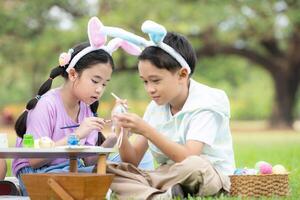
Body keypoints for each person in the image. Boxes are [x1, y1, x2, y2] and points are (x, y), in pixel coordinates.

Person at [12, 17, 154, 196]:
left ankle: (151, 190)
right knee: (106, 175)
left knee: (139, 160)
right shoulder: (46, 104)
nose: (99, 89)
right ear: (72, 74)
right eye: (95, 81)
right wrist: (78, 134)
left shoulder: (86, 107)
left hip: (72, 170)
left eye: (104, 84)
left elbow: (88, 160)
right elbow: (35, 160)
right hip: (37, 177)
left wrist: (116, 134)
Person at [108, 20, 235, 199]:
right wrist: (120, 129)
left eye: (155, 80)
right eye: (145, 81)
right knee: (109, 170)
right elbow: (132, 160)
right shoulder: (155, 107)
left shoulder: (207, 102)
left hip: (206, 175)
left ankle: (149, 190)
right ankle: (159, 196)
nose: (149, 89)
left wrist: (146, 130)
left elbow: (189, 157)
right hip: (167, 174)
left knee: (194, 166)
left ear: (182, 74)